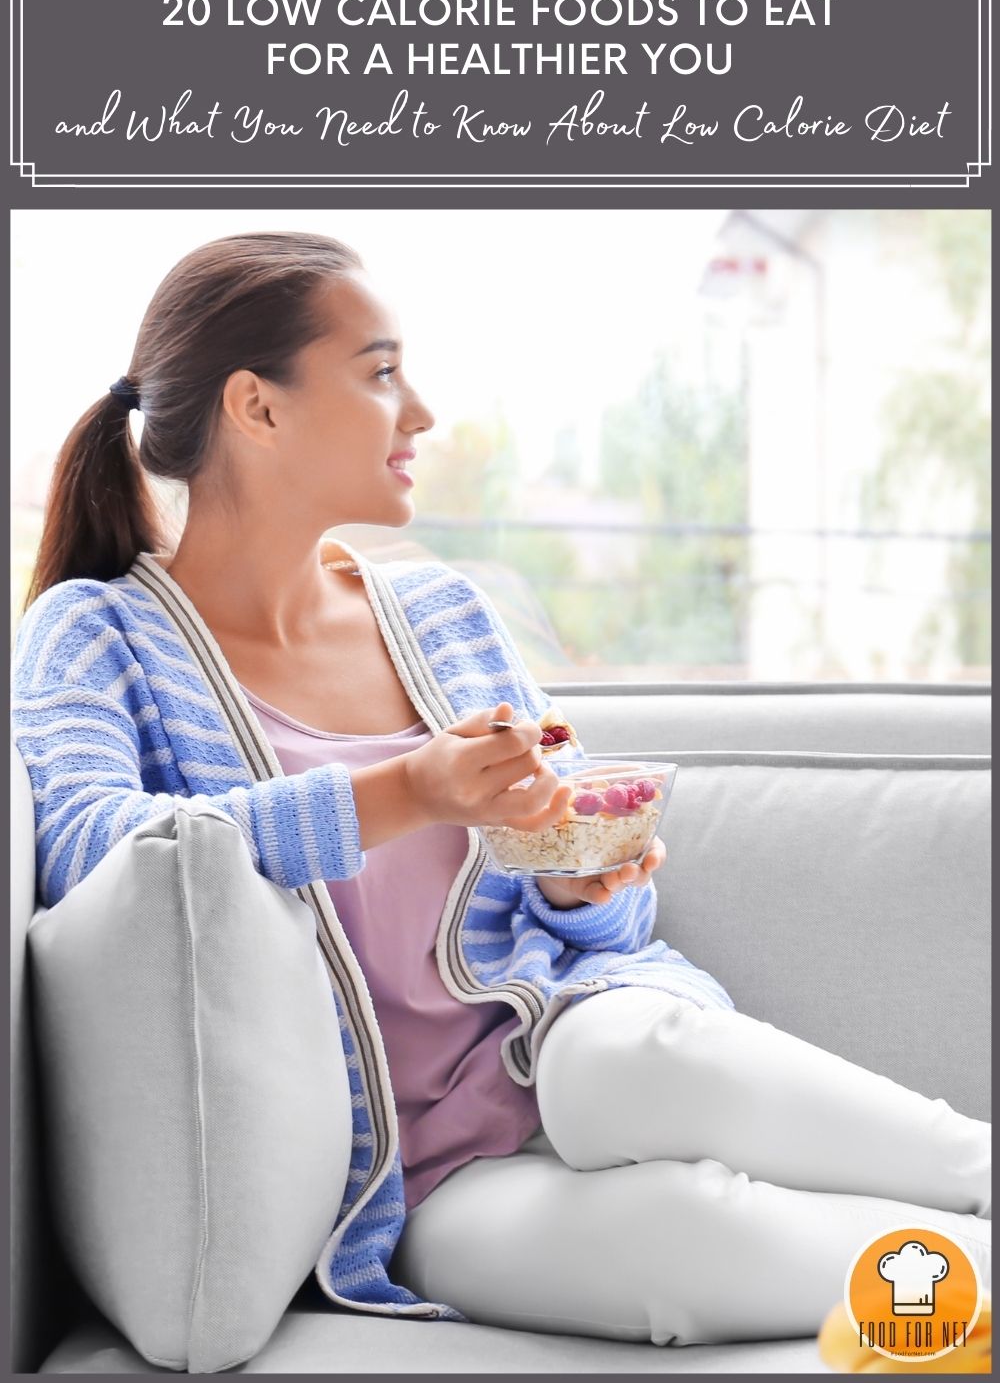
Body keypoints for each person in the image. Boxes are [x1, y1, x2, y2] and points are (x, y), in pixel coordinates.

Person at [12, 231, 990, 1351]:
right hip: (417, 1179)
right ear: (257, 408)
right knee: (675, 1250)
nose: (419, 413)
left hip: (564, 1032)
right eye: (379, 374)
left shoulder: (441, 616)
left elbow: (588, 901)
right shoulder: (93, 637)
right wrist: (407, 793)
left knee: (643, 1066)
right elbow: (99, 853)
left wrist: (586, 885)